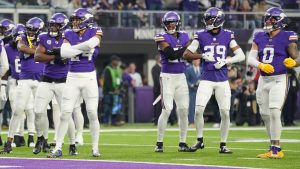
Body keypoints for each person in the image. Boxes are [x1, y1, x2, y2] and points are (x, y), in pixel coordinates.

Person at [183, 7, 245, 154]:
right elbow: (186, 54)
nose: (208, 21)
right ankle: (199, 140)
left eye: (210, 19)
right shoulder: (200, 35)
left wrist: (226, 61)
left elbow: (241, 55)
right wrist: (202, 56)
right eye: (208, 19)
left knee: (225, 112)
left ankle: (223, 144)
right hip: (206, 79)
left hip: (222, 80)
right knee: (198, 111)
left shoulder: (228, 35)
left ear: (218, 20)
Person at [47, 8, 102, 158]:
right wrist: (79, 48)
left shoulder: (96, 31)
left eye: (78, 20)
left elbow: (91, 44)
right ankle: (58, 147)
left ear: (86, 20)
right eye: (74, 20)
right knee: (65, 113)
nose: (74, 22)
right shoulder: (68, 33)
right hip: (72, 77)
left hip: (89, 77)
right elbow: (64, 53)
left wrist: (72, 49)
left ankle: (95, 147)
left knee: (92, 112)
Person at [247, 7, 299, 159]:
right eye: (267, 19)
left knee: (275, 111)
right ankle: (272, 147)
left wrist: (293, 63)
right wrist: (260, 65)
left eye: (272, 19)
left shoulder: (288, 36)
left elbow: (297, 57)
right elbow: (250, 58)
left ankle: (277, 149)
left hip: (280, 78)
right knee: (265, 114)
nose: (268, 21)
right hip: (263, 80)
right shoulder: (259, 36)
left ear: (280, 22)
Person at [33, 13, 80, 155]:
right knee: (38, 111)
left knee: (66, 114)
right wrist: (56, 55)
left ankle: (72, 144)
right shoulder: (43, 37)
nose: (52, 27)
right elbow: (37, 56)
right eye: (51, 25)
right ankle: (41, 138)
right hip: (46, 80)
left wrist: (63, 54)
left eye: (56, 25)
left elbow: (72, 55)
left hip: (63, 82)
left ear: (63, 27)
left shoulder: (70, 37)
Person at [0, 17, 45, 154]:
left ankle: (41, 140)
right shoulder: (20, 39)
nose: (30, 31)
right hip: (22, 79)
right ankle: (10, 141)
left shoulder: (44, 38)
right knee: (18, 109)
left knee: (38, 112)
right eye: (28, 29)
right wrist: (38, 51)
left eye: (33, 29)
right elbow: (21, 47)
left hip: (41, 79)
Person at [154, 11, 191, 152]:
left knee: (183, 110)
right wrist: (188, 47)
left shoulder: (184, 36)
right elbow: (172, 54)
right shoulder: (161, 37)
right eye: (168, 23)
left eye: (173, 22)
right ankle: (159, 142)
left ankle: (182, 143)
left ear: (178, 23)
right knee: (167, 110)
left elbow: (189, 53)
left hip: (181, 76)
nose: (170, 25)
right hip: (167, 76)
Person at [102, 55, 123, 126]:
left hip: (116, 92)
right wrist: (113, 90)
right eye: (116, 61)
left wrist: (118, 89)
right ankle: (106, 121)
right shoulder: (107, 69)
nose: (117, 62)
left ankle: (114, 122)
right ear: (112, 61)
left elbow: (121, 80)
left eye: (118, 61)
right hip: (108, 92)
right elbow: (107, 81)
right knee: (107, 107)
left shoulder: (119, 69)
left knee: (115, 108)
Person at [184, 59, 201, 126]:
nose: (197, 61)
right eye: (195, 60)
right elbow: (186, 80)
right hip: (192, 91)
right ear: (192, 61)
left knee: (200, 107)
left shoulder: (202, 69)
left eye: (198, 60)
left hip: (201, 91)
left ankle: (199, 121)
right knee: (192, 106)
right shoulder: (188, 69)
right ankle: (191, 122)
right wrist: (191, 85)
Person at [151, 54, 161, 125]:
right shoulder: (155, 68)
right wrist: (161, 87)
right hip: (158, 90)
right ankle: (157, 120)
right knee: (158, 105)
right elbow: (157, 80)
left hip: (163, 89)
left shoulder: (162, 67)